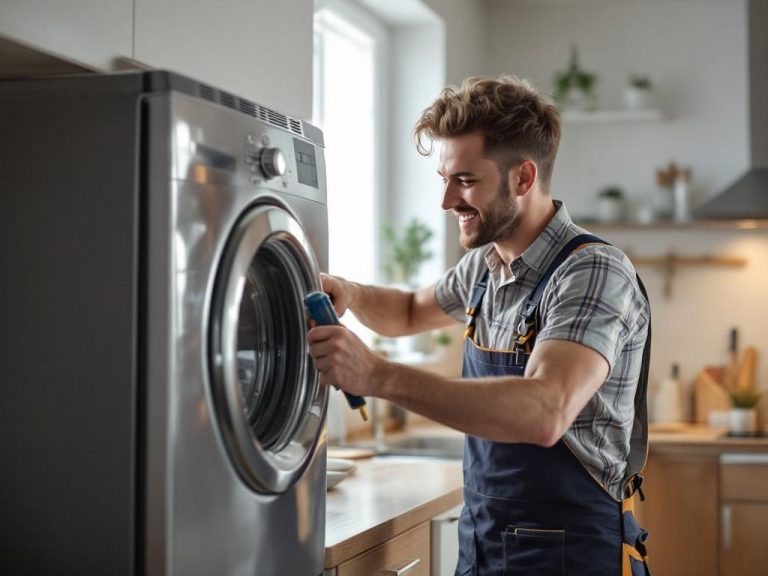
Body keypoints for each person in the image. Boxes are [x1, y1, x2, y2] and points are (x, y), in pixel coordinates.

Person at [308, 75, 652, 576]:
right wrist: (351, 293)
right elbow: (407, 311)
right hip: (485, 540)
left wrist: (377, 376)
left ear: (523, 178)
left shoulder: (593, 270)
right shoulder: (485, 266)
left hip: (567, 554)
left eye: (465, 181)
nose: (447, 200)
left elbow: (545, 410)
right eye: (444, 180)